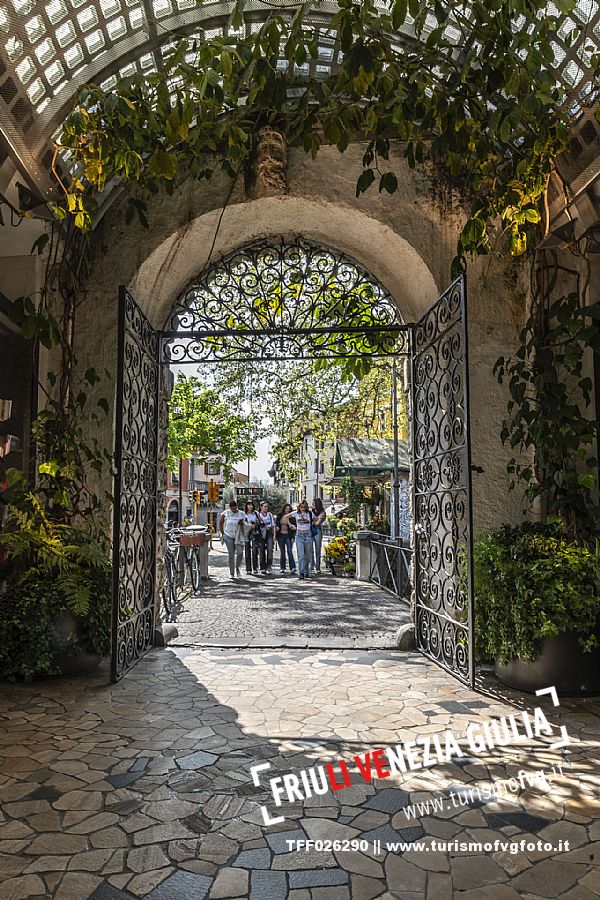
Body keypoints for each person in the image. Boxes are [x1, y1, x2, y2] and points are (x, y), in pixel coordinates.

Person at [282, 499, 313, 579]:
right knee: (301, 555)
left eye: (304, 507)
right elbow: (285, 517)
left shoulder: (309, 513)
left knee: (307, 555)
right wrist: (291, 525)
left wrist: (311, 525)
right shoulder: (296, 513)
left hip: (308, 535)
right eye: (301, 507)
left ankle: (306, 571)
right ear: (299, 507)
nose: (302, 508)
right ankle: (301, 572)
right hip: (299, 535)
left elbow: (315, 519)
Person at [218, 500, 246, 579]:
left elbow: (246, 523)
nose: (233, 510)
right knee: (231, 554)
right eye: (232, 508)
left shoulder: (242, 514)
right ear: (230, 508)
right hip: (228, 535)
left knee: (240, 553)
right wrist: (223, 533)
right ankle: (232, 573)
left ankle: (237, 567)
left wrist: (242, 523)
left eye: (235, 508)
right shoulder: (226, 513)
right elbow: (221, 522)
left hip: (238, 536)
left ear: (237, 507)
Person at [254, 500, 276, 574]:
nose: (266, 508)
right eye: (265, 507)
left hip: (269, 532)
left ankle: (269, 565)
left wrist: (274, 536)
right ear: (261, 507)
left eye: (267, 507)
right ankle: (262, 567)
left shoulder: (270, 515)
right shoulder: (258, 516)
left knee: (270, 549)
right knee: (261, 550)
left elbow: (273, 526)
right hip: (261, 533)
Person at [276, 503, 297, 574]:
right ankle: (282, 567)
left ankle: (292, 567)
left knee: (290, 551)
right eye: (286, 508)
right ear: (284, 509)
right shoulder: (279, 516)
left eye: (289, 509)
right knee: (282, 552)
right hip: (281, 535)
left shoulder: (291, 517)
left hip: (288, 535)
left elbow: (294, 528)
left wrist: (293, 537)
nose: (288, 510)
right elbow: (276, 524)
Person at [311, 497, 327, 575]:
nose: (312, 505)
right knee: (310, 549)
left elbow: (317, 523)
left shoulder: (322, 512)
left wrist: (314, 520)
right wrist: (316, 519)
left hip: (317, 530)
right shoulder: (311, 512)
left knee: (318, 550)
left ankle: (317, 568)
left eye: (314, 504)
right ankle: (312, 566)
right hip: (311, 530)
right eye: (312, 504)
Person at [243, 500, 258, 575]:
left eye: (251, 505)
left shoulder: (256, 513)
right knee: (247, 552)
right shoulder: (244, 514)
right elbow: (243, 523)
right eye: (248, 505)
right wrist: (249, 526)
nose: (250, 506)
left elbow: (259, 521)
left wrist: (255, 525)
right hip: (246, 534)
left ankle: (255, 567)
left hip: (254, 533)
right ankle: (248, 569)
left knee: (255, 551)